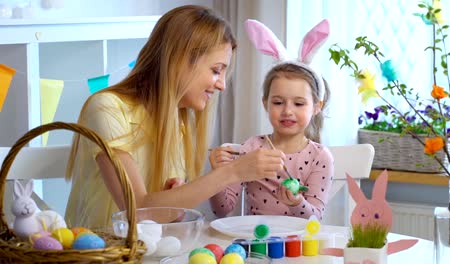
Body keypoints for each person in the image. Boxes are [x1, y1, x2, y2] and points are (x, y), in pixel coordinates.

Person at [64, 5, 285, 229]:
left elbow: (155, 215)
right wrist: (234, 172)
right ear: (179, 60)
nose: (222, 85)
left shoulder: (177, 121)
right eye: (216, 70)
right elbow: (136, 212)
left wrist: (175, 203)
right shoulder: (107, 109)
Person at [209, 19, 334, 220]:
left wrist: (296, 203)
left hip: (298, 248)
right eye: (278, 102)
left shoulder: (320, 157)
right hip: (256, 246)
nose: (287, 111)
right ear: (265, 103)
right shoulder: (252, 148)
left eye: (299, 104)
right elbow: (223, 210)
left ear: (316, 107)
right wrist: (217, 175)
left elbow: (315, 218)